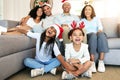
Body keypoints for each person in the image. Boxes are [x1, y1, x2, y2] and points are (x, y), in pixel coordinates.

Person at [80, 5, 109, 73]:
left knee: (101, 34)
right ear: (84, 12)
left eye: (89, 9)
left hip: (98, 34)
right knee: (93, 35)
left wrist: (99, 30)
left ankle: (101, 62)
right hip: (89, 35)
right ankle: (92, 62)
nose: (87, 11)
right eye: (86, 10)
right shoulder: (82, 20)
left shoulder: (96, 18)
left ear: (92, 11)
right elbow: (80, 31)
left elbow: (100, 27)